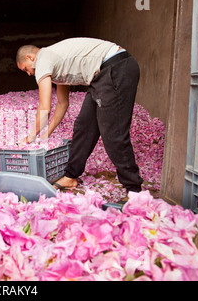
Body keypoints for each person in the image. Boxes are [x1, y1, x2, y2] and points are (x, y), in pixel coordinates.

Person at [17, 37, 143, 194]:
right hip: (100, 77)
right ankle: (71, 176)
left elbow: (44, 106)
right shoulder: (56, 64)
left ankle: (134, 190)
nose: (29, 74)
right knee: (84, 126)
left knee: (113, 133)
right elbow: (62, 104)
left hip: (115, 68)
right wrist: (45, 135)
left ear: (31, 57)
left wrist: (30, 137)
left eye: (25, 69)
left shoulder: (43, 59)